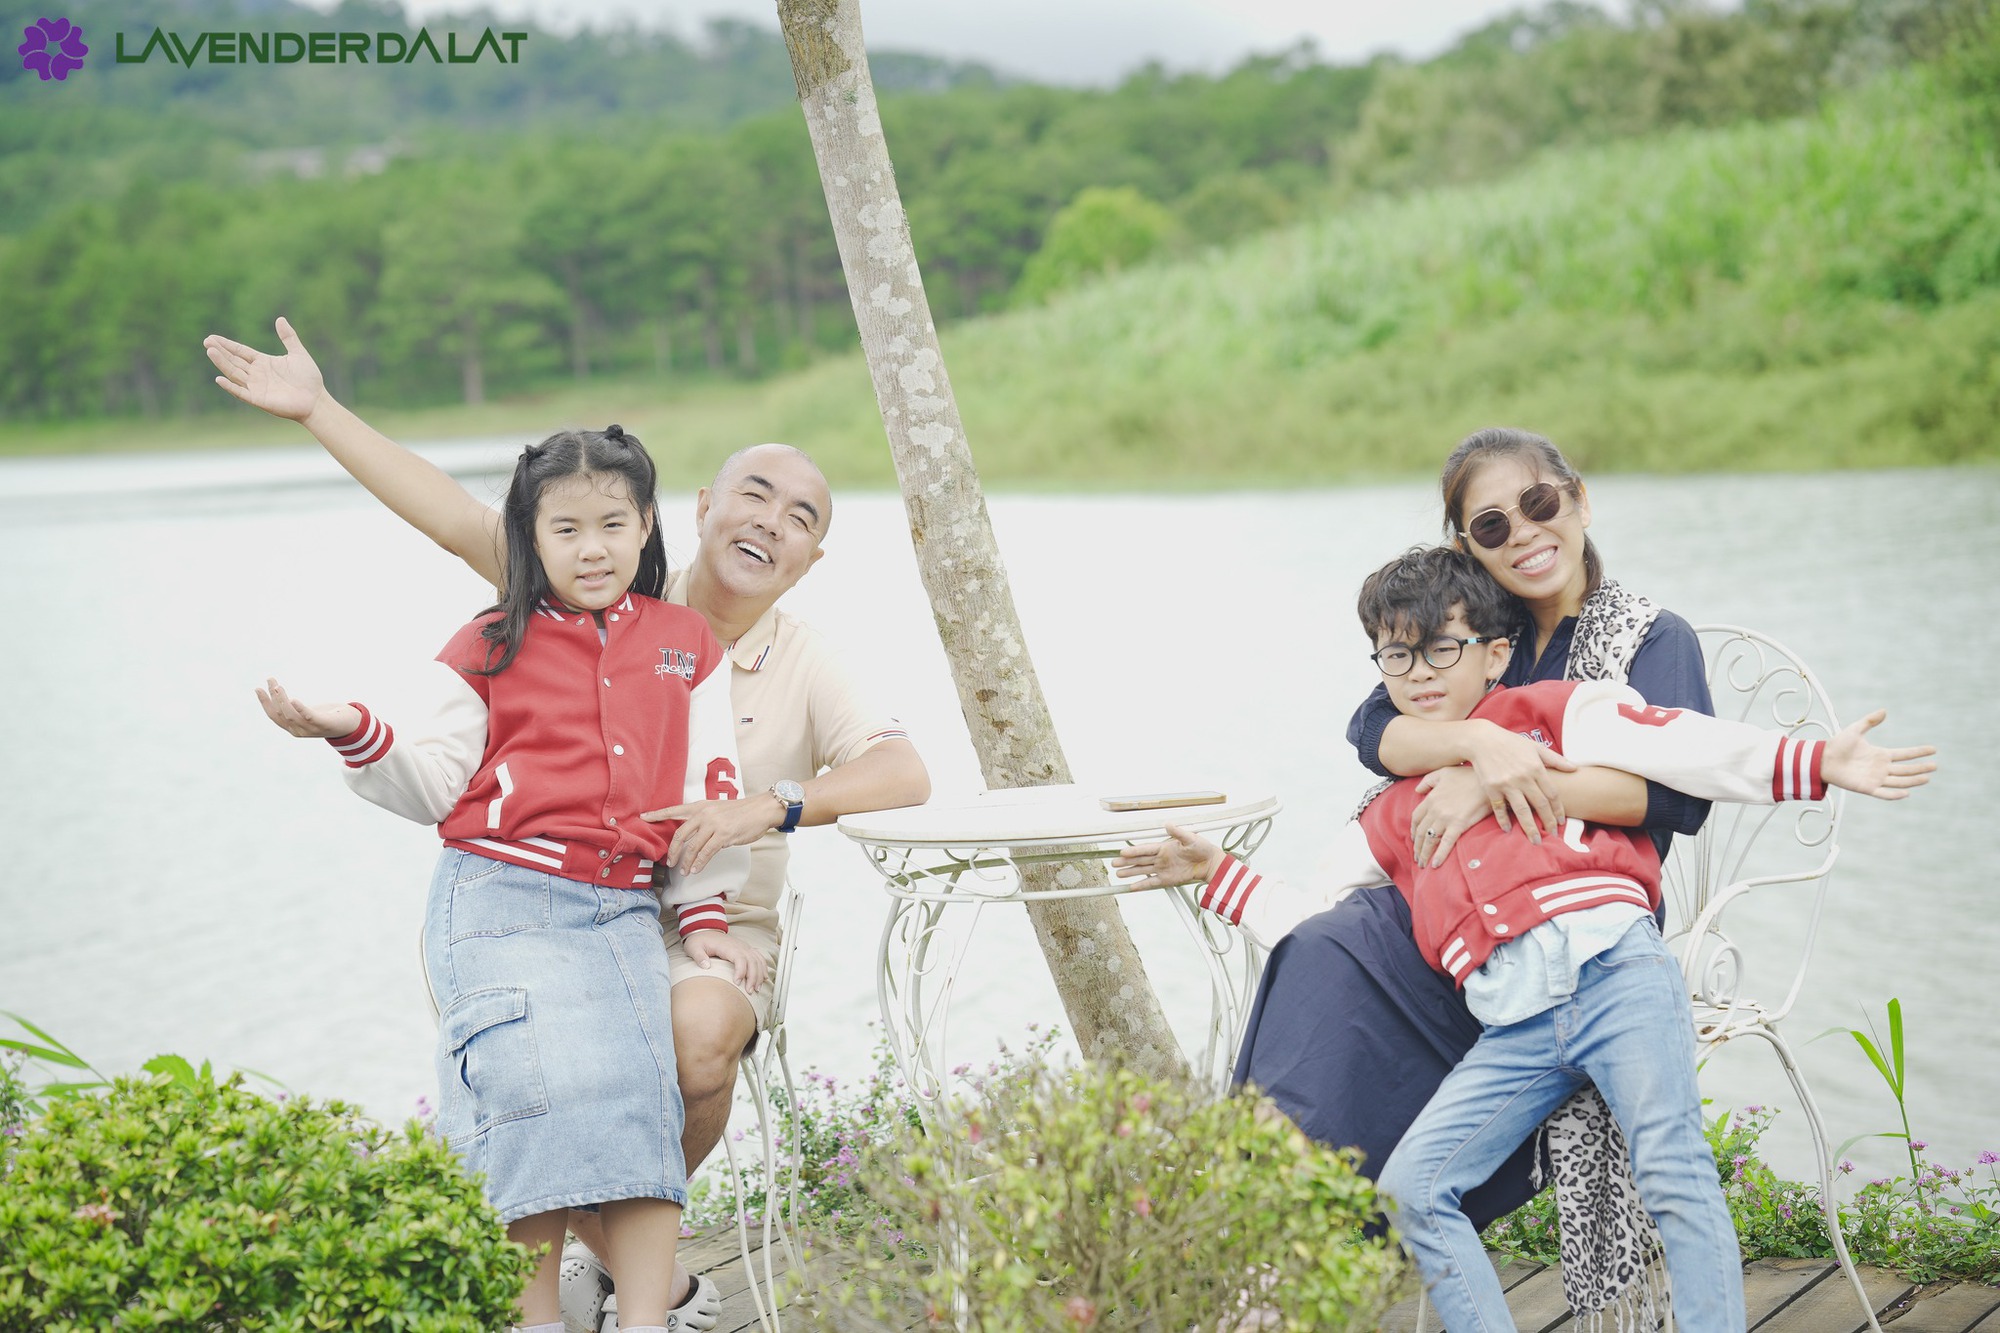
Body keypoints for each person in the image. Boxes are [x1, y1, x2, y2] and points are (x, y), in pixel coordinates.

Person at [206, 319, 931, 1330]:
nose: (772, 519)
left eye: (801, 514)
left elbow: (904, 770)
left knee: (695, 1032)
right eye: (753, 493)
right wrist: (320, 409)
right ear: (695, 510)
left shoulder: (800, 654)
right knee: (544, 1077)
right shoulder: (598, 587)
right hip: (553, 895)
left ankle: (617, 1265)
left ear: (811, 555)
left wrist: (763, 807)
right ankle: (637, 1274)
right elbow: (456, 513)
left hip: (709, 915)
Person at [1115, 545, 1935, 1332]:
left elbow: (1677, 742)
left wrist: (1821, 760)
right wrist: (1216, 870)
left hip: (1616, 975)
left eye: (1442, 648)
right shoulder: (1392, 811)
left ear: (1497, 653)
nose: (1422, 673)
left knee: (1676, 1177)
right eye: (1396, 658)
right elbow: (1319, 914)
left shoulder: (1552, 716)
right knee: (1414, 1188)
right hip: (1518, 1030)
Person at [258, 428, 759, 1333]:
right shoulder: (491, 639)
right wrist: (349, 726)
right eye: (565, 529)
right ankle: (537, 1323)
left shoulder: (689, 645)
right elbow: (432, 780)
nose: (593, 547)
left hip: (616, 911)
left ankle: (645, 1320)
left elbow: (705, 792)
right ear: (530, 536)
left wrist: (706, 915)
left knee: (636, 1109)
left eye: (613, 523)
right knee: (529, 1107)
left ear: (647, 524)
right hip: (497, 900)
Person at [1234, 426, 1717, 1233]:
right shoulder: (1473, 625)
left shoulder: (1650, 636)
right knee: (1319, 952)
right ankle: (1272, 1219)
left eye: (1539, 503)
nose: (1524, 533)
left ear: (1580, 499)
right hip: (1452, 903)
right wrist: (1474, 744)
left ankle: (1331, 1235)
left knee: (1349, 985)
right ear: (1466, 543)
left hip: (1582, 917)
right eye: (1492, 525)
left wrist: (1493, 787)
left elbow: (1675, 798)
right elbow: (1372, 728)